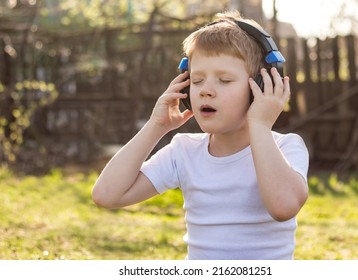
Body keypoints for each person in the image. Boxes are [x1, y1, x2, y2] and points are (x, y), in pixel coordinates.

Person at [92, 10, 309, 260]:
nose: (206, 90)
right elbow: (106, 195)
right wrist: (156, 126)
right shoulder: (184, 151)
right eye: (196, 81)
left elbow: (283, 207)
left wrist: (259, 125)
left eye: (224, 80)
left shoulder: (287, 147)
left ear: (260, 87)